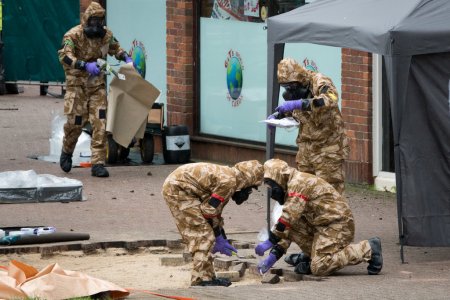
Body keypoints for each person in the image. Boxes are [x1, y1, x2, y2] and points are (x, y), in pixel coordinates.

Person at [255, 158, 382, 277]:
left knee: (319, 266)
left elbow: (288, 217)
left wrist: (270, 241)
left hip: (338, 225)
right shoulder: (290, 185)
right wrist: (274, 254)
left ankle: (368, 248)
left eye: (271, 186)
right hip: (321, 225)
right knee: (292, 225)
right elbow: (289, 227)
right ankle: (311, 256)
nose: (271, 192)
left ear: (278, 178)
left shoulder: (298, 183)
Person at [57, 2, 133, 177]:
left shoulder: (105, 35)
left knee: (100, 123)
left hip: (96, 86)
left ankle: (98, 163)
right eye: (94, 20)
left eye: (100, 20)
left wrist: (126, 57)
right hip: (77, 87)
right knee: (75, 124)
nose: (97, 24)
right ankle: (67, 150)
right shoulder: (73, 35)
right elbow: (64, 57)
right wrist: (84, 65)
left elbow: (115, 48)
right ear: (87, 19)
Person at [162, 160, 263, 287]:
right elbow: (208, 211)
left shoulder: (231, 178)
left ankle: (208, 277)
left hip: (184, 189)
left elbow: (215, 211)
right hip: (178, 190)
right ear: (247, 180)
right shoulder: (229, 183)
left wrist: (221, 236)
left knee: (207, 234)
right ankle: (201, 280)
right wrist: (218, 237)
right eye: (251, 188)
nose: (249, 193)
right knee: (203, 236)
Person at [268, 58, 349, 194]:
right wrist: (279, 116)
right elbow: (296, 112)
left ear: (300, 80)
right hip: (306, 150)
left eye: (291, 86)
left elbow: (331, 99)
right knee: (304, 192)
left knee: (328, 193)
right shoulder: (296, 95)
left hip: (328, 148)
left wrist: (301, 104)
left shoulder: (319, 81)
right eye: (285, 87)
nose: (289, 91)